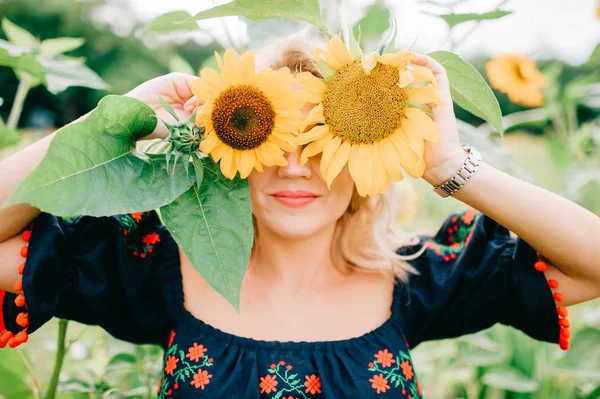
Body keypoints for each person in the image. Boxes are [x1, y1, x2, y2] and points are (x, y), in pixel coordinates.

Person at [0, 45, 599, 399]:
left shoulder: (419, 279)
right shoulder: (156, 263)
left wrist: (448, 167)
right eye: (272, 135)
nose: (293, 166)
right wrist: (113, 124)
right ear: (228, 148)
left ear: (366, 157)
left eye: (321, 139)